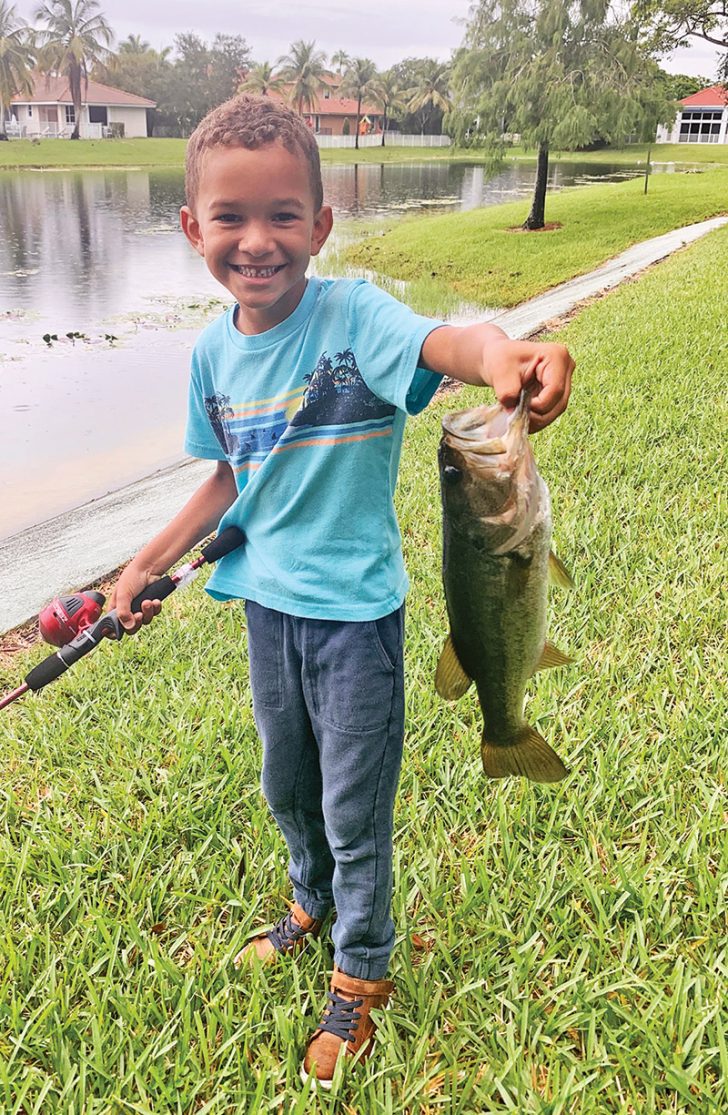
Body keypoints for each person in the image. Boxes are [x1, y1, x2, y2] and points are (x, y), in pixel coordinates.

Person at [110, 94, 574, 1088]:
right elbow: (227, 477)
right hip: (266, 613)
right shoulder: (208, 352)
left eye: (283, 214)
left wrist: (508, 358)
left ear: (320, 224)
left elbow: (453, 344)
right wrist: (146, 560)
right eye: (229, 217)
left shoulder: (354, 314)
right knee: (288, 784)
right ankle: (307, 901)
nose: (256, 240)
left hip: (355, 622)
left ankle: (361, 968)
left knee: (352, 802)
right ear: (191, 228)